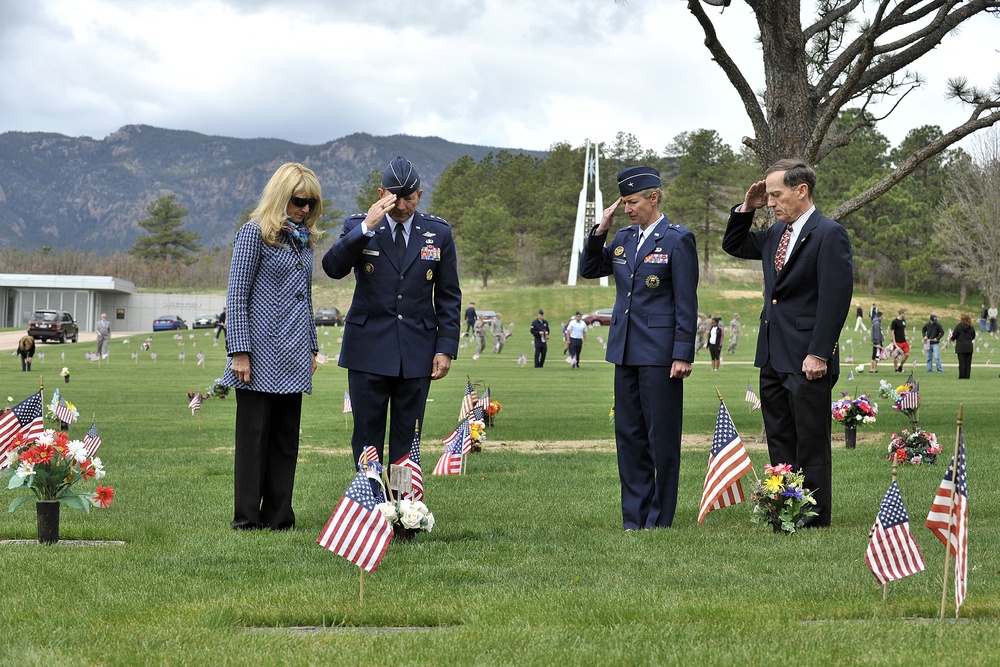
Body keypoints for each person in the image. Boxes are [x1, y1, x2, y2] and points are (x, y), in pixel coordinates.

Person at [722, 158, 853, 528]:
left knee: (810, 441)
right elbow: (733, 243)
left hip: (808, 358)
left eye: (777, 194)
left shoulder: (829, 234)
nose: (772, 201)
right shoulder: (776, 234)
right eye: (768, 195)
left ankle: (812, 517)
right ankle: (783, 509)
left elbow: (835, 298)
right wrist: (747, 207)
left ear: (802, 190)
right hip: (772, 356)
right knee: (779, 437)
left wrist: (818, 352)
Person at [322, 155, 462, 470]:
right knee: (367, 437)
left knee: (408, 437)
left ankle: (404, 507)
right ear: (380, 193)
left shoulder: (437, 233)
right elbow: (332, 268)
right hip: (368, 348)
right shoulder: (358, 226)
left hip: (417, 350)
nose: (401, 206)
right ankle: (371, 506)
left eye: (408, 199)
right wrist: (365, 228)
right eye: (394, 198)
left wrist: (445, 348)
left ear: (420, 196)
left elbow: (449, 295)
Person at [580, 165, 698, 530]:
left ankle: (659, 519)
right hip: (625, 351)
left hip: (661, 355)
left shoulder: (678, 240)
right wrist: (601, 229)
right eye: (624, 202)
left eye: (633, 202)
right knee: (629, 438)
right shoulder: (624, 238)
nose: (628, 209)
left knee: (660, 438)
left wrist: (682, 352)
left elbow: (685, 301)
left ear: (654, 197)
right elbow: (590, 268)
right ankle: (634, 517)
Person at [222, 162, 323, 531]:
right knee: (253, 441)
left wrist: (312, 347)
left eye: (312, 204)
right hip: (258, 355)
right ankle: (247, 518)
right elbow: (236, 297)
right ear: (282, 197)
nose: (305, 210)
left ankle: (280, 517)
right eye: (299, 201)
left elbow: (305, 299)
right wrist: (239, 351)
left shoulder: (304, 241)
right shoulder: (253, 234)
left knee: (285, 441)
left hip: (294, 353)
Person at [950, 313, 976, 379]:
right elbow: (973, 336)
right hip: (969, 347)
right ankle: (967, 376)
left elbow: (954, 335)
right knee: (968, 363)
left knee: (962, 362)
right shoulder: (971, 327)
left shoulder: (958, 327)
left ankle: (962, 376)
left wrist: (951, 339)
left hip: (961, 347)